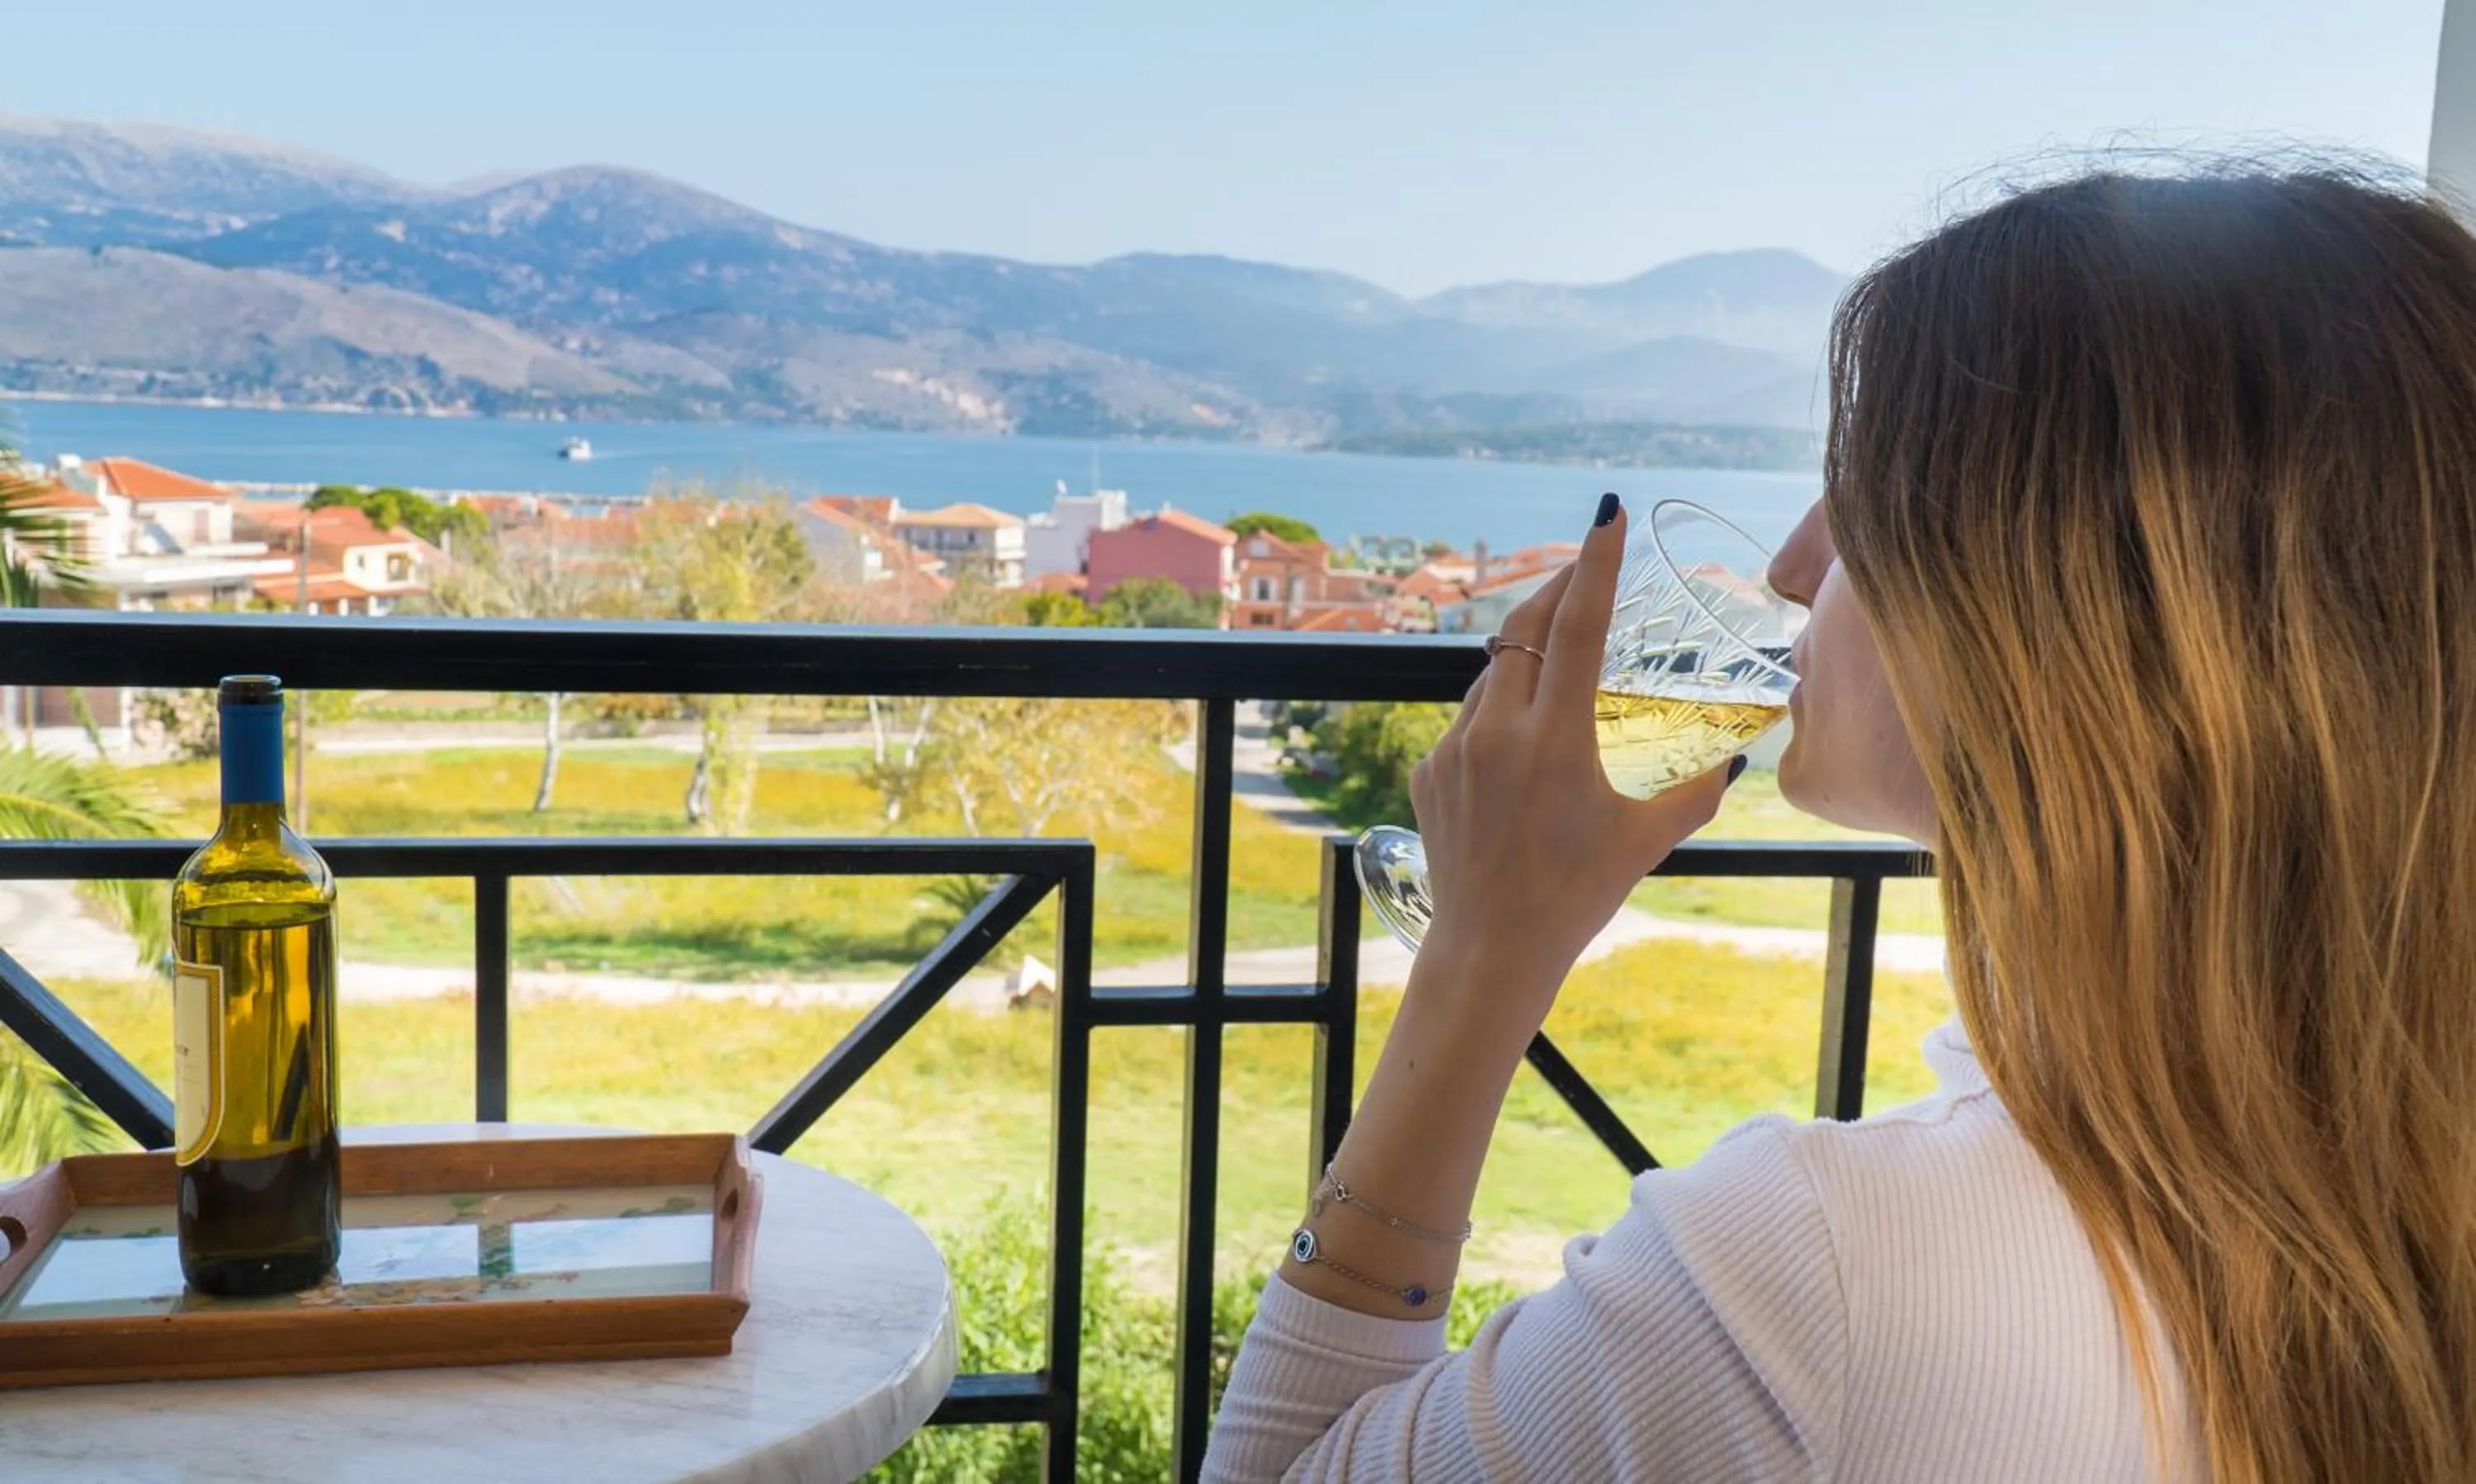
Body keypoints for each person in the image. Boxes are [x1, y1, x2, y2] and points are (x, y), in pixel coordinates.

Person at [1203, 166, 2476, 1483]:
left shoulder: (1827, 1273)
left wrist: (1480, 965)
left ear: (2047, 606)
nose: (1793, 567)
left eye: (1861, 491)